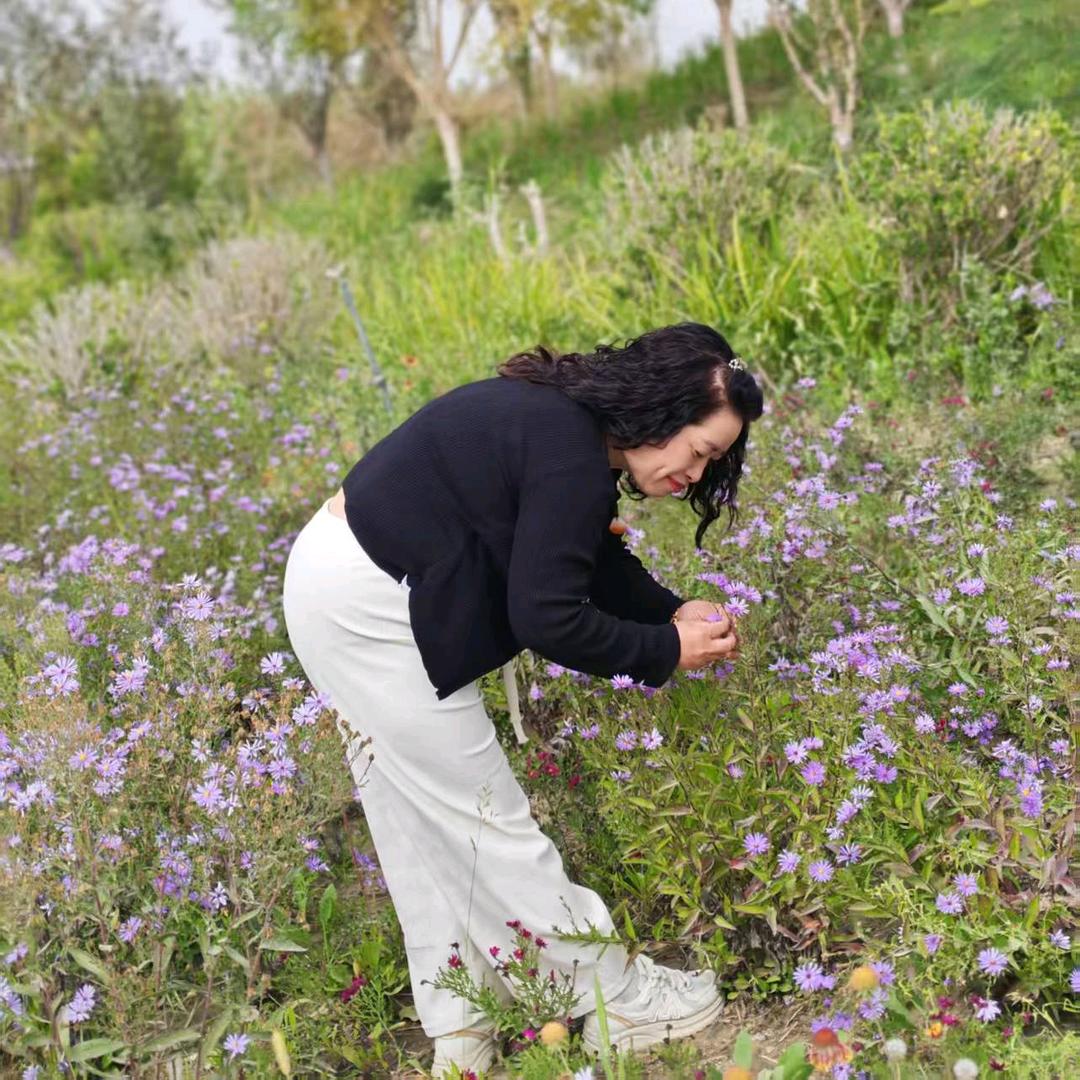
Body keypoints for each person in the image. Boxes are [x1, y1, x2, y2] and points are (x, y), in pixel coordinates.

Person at [282, 322, 764, 1076]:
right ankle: (615, 1001)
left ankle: (461, 1024)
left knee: (416, 820)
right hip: (366, 606)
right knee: (481, 813)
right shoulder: (568, 449)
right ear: (660, 411)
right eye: (699, 451)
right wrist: (667, 651)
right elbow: (549, 617)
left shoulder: (565, 428)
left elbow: (584, 554)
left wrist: (668, 611)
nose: (696, 476)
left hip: (340, 581)